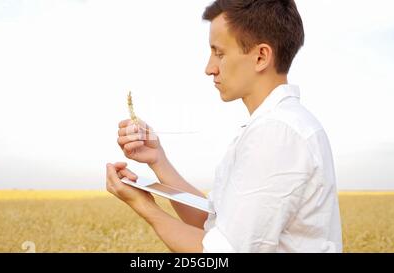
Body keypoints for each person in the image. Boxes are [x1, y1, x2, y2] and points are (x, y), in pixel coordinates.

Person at [106, 0, 342, 253]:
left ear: (261, 56)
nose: (209, 68)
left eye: (219, 53)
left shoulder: (276, 133)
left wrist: (145, 206)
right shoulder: (278, 125)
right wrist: (158, 160)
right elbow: (216, 225)